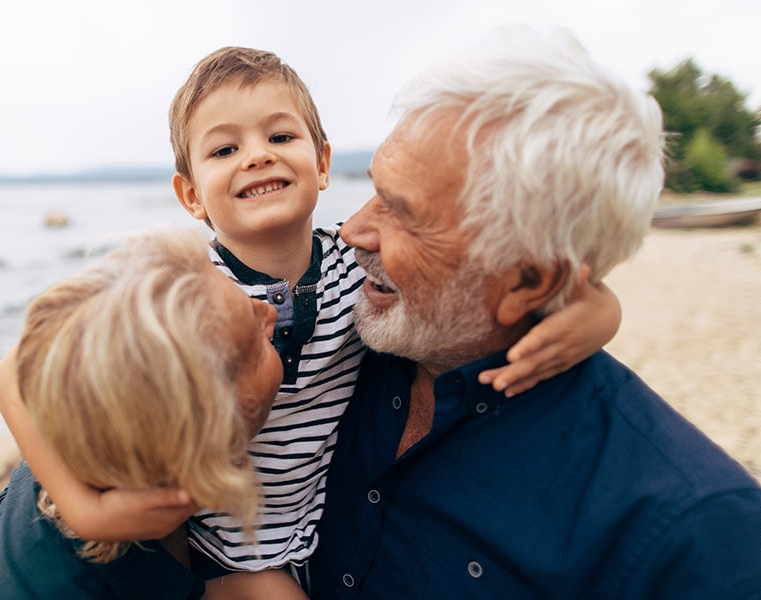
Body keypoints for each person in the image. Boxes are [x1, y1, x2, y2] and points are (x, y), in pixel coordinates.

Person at [0, 46, 624, 598]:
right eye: (225, 148)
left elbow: (496, 278)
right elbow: (13, 373)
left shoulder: (357, 260)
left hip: (317, 526)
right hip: (223, 544)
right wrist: (83, 508)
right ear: (190, 196)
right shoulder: (177, 282)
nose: (257, 157)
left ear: (322, 162)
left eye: (280, 137)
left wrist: (598, 311)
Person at [307, 26, 761, 599]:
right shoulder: (329, 345)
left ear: (528, 281)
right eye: (374, 190)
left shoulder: (693, 537)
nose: (352, 231)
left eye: (402, 212)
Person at [0, 226, 285, 598]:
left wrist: (82, 509)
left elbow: (13, 368)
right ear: (202, 438)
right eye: (255, 338)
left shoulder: (83, 418)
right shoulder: (100, 580)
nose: (269, 312)